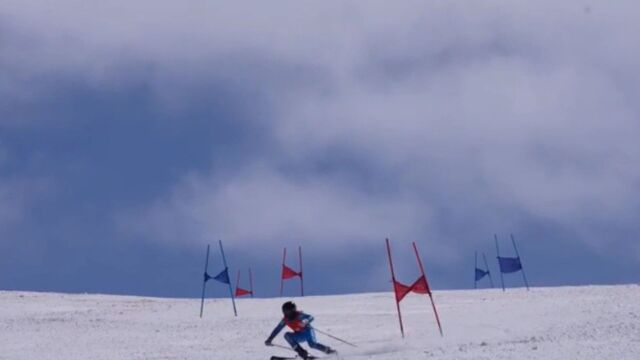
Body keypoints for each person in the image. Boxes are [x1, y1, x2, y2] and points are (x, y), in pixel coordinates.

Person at [265, 301, 337, 359]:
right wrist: (270, 339)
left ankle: (329, 351)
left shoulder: (299, 315)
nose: (286, 313)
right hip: (299, 335)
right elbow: (277, 329)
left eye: (293, 309)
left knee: (312, 344)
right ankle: (301, 352)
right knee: (287, 335)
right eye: (285, 311)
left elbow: (310, 317)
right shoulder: (285, 320)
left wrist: (305, 321)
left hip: (308, 332)